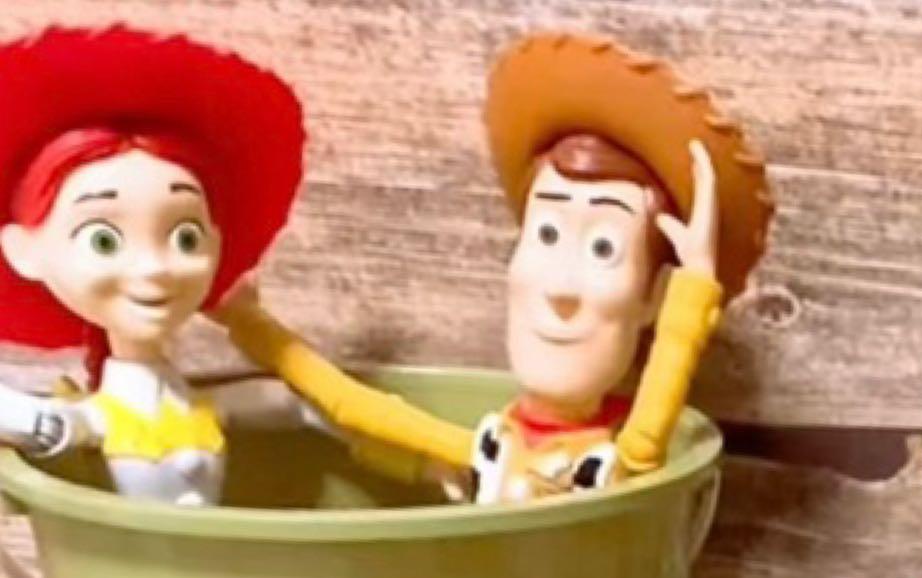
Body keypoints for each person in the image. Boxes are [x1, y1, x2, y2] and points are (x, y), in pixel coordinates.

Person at [214, 33, 773, 502]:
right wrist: (250, 324)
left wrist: (696, 285)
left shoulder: (606, 466)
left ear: (655, 297)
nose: (560, 286)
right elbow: (353, 406)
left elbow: (645, 443)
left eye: (604, 248)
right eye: (546, 235)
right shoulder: (489, 449)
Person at [0, 25, 335, 506]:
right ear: (22, 251)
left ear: (217, 239)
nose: (155, 268)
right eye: (103, 240)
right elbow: (41, 421)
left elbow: (301, 406)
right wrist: (36, 422)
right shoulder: (99, 419)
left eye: (185, 237)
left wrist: (409, 449)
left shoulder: (201, 408)